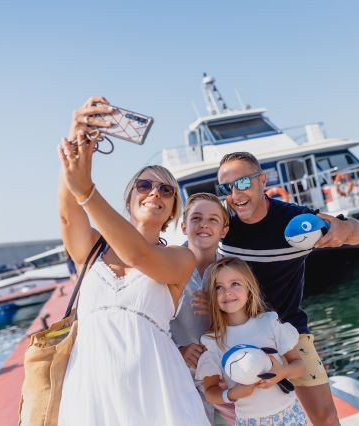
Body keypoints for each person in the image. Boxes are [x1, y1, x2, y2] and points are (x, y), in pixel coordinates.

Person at [56, 96, 208, 425]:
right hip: (93, 395)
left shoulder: (181, 258)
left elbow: (139, 255)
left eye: (166, 191)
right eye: (145, 185)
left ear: (172, 211)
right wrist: (78, 142)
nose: (155, 192)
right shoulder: (94, 248)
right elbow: (69, 218)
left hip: (160, 395)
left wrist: (88, 193)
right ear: (130, 196)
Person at [217, 152, 359, 426]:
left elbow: (358, 233)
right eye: (226, 188)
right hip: (240, 337)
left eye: (243, 183)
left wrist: (343, 228)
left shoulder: (294, 221)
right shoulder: (223, 225)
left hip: (290, 331)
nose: (235, 194)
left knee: (325, 417)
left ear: (262, 180)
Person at [196, 257, 307, 426]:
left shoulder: (269, 322)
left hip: (290, 415)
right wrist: (231, 394)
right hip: (250, 422)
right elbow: (210, 391)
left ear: (249, 287)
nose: (228, 292)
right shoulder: (212, 341)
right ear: (212, 295)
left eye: (235, 283)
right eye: (219, 287)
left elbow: (300, 366)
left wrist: (282, 373)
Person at [170, 192, 235, 425]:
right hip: (179, 378)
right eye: (196, 218)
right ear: (184, 227)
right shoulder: (166, 268)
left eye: (213, 220)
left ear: (224, 230)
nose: (204, 225)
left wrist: (217, 309)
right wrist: (180, 349)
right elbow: (149, 322)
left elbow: (251, 319)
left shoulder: (233, 270)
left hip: (226, 377)